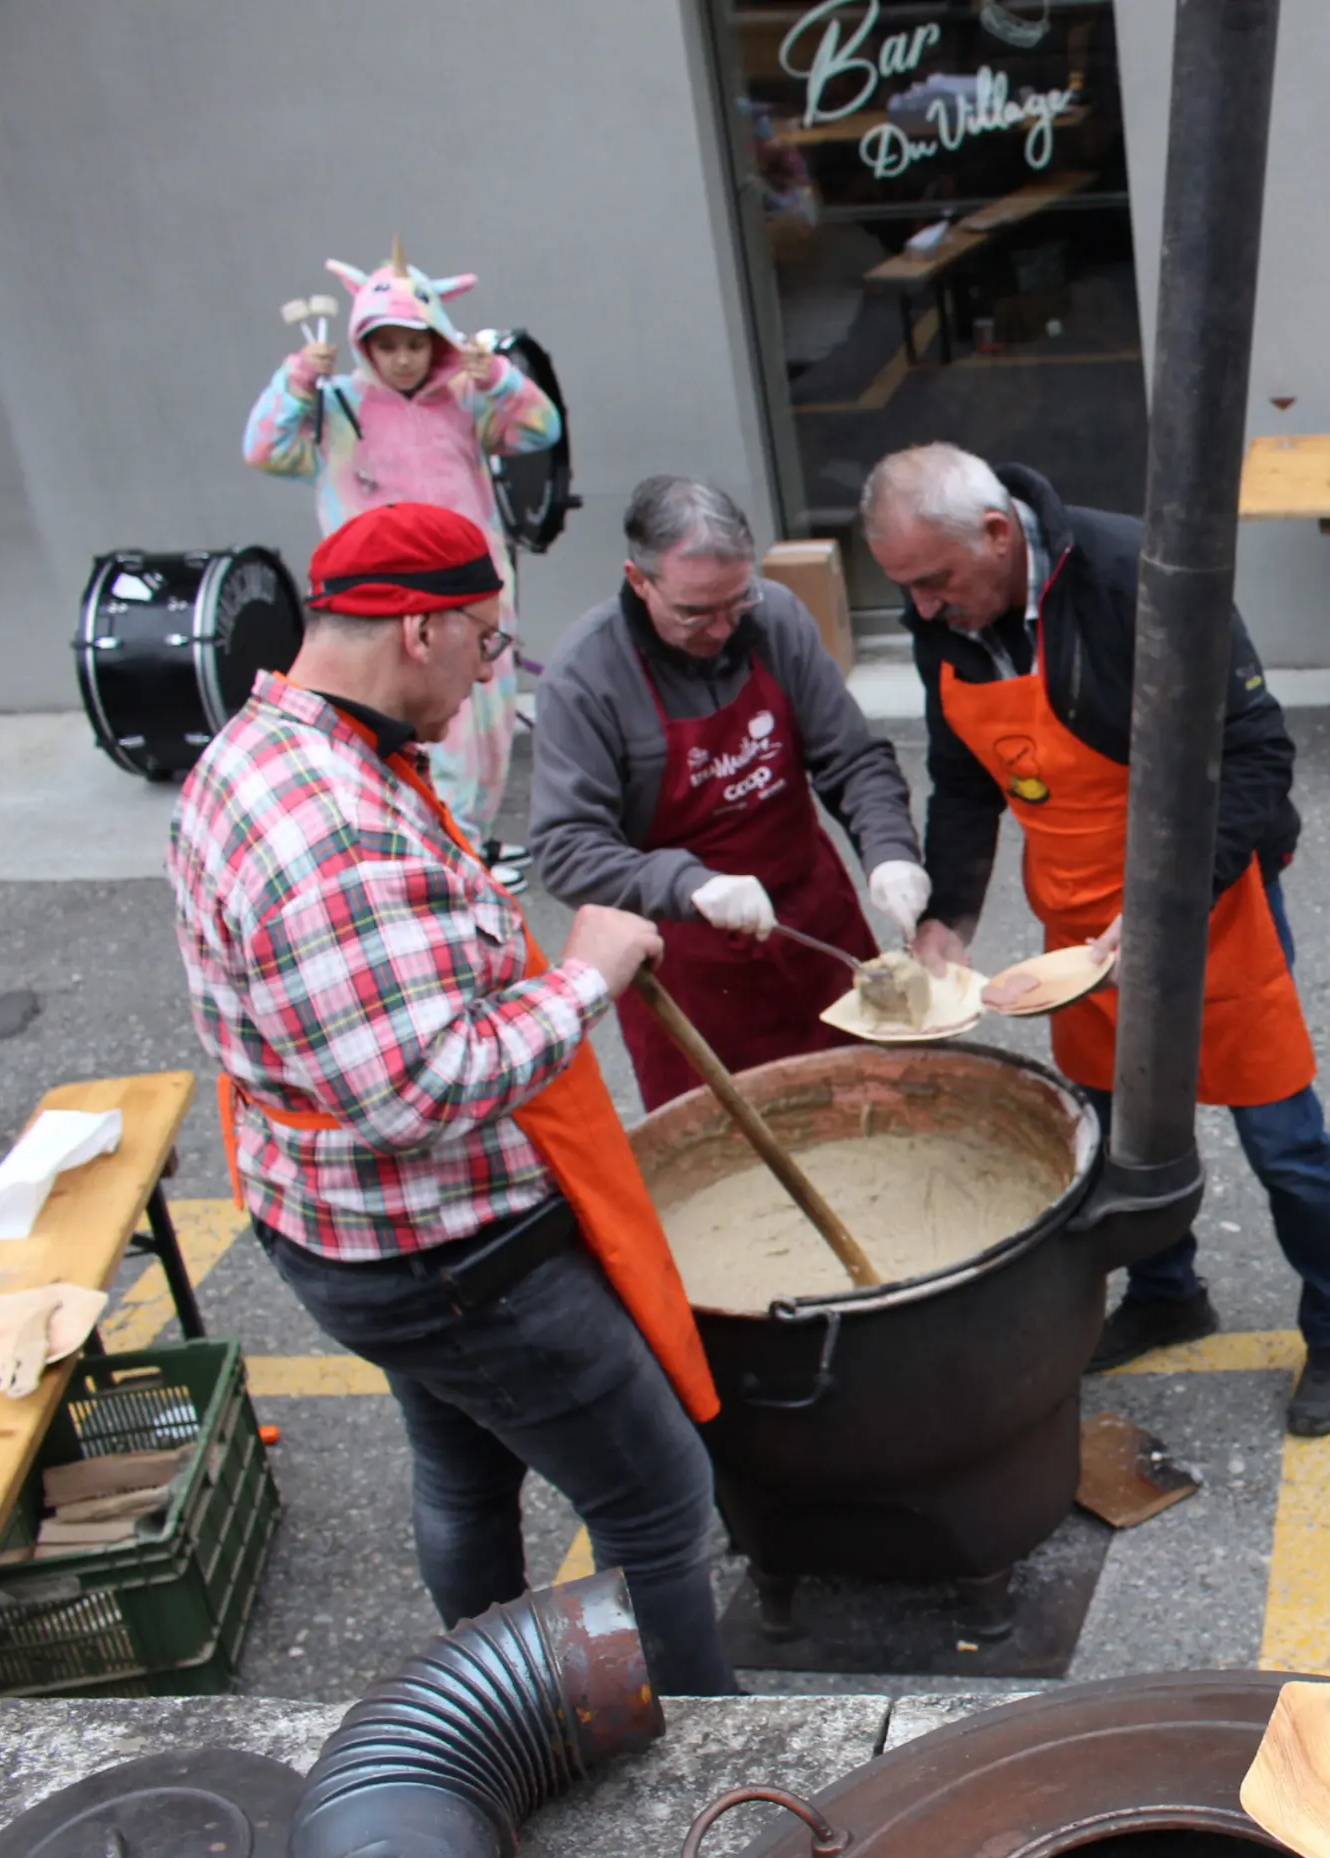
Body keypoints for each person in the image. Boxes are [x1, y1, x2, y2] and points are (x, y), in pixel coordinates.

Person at [167, 503, 733, 1694]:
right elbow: (423, 1090)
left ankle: (494, 1687)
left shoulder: (269, 745)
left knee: (464, 1463)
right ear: (418, 629)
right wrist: (588, 974)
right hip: (454, 1259)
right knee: (658, 1501)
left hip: (349, 1227)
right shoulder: (330, 829)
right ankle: (700, 1769)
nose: (492, 676)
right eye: (485, 645)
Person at [862, 444, 1330, 1435]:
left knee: (1285, 1141)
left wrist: (1167, 909)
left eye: (935, 582)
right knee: (1114, 1136)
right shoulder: (945, 622)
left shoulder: (1142, 577)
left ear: (1000, 535)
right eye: (907, 589)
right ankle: (1166, 1292)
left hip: (1211, 901)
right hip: (1075, 920)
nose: (923, 611)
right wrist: (944, 921)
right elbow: (967, 779)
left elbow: (1258, 754)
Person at [528, 477, 927, 1109]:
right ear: (638, 580)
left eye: (735, 603)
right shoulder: (586, 677)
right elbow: (565, 848)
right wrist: (690, 883)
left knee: (871, 1103)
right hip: (687, 959)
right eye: (694, 613)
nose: (719, 628)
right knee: (732, 1147)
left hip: (811, 916)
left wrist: (891, 850)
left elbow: (853, 759)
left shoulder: (778, 619)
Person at [244, 245, 561, 876]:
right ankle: (421, 857)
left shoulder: (466, 398)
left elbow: (539, 428)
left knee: (482, 720)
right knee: (385, 718)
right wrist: (297, 379)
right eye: (386, 345)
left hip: (468, 594)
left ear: (437, 339)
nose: (403, 358)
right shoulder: (334, 407)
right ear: (365, 345)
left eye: (416, 343)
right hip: (376, 601)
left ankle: (468, 845)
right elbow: (265, 449)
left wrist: (496, 375)